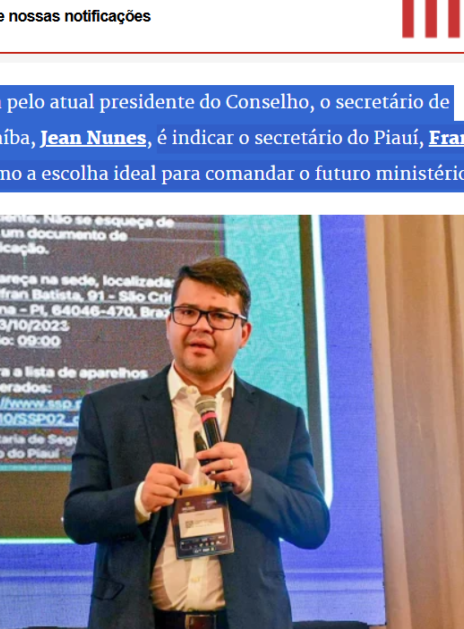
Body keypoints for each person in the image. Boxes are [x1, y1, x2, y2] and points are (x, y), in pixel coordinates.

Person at [64, 256, 330, 629]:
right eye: (188, 312)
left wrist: (251, 483)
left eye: (219, 316)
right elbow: (77, 518)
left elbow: (314, 525)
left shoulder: (281, 419)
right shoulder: (108, 410)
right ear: (169, 323)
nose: (201, 326)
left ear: (244, 333)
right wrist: (138, 499)